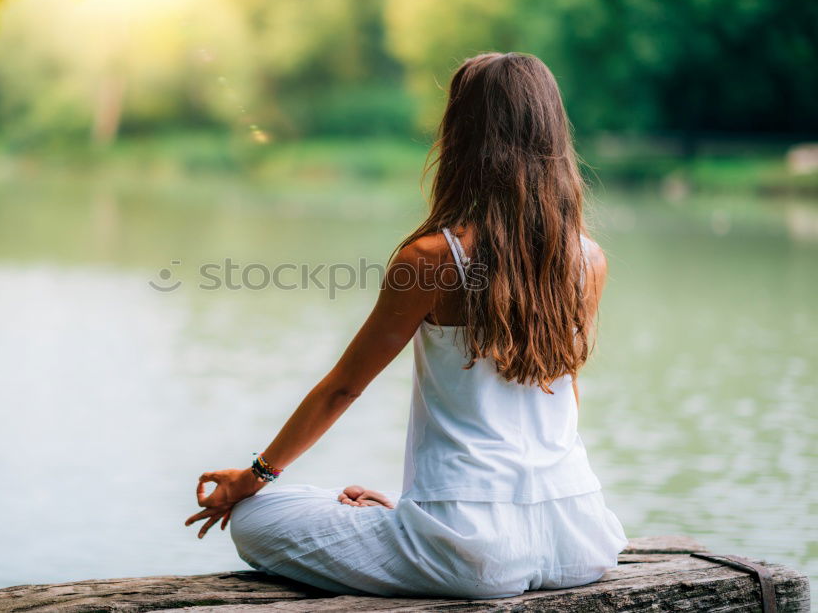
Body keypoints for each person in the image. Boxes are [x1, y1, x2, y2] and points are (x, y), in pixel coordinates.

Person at [184, 52, 628, 599]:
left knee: (257, 518)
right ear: (552, 137)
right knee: (398, 515)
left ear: (462, 136)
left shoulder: (432, 259)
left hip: (473, 552)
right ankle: (412, 519)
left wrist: (251, 479)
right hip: (578, 538)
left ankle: (415, 524)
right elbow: (567, 394)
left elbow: (344, 387)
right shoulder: (588, 259)